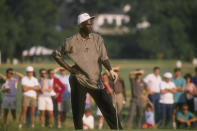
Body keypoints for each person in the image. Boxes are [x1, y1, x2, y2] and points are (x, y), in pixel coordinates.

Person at [53, 12, 122, 129]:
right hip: (79, 80)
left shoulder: (98, 39)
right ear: (81, 25)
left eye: (91, 24)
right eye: (88, 24)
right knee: (78, 112)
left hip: (95, 80)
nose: (91, 26)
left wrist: (110, 70)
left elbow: (104, 57)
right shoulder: (71, 41)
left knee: (109, 109)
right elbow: (56, 54)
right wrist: (69, 69)